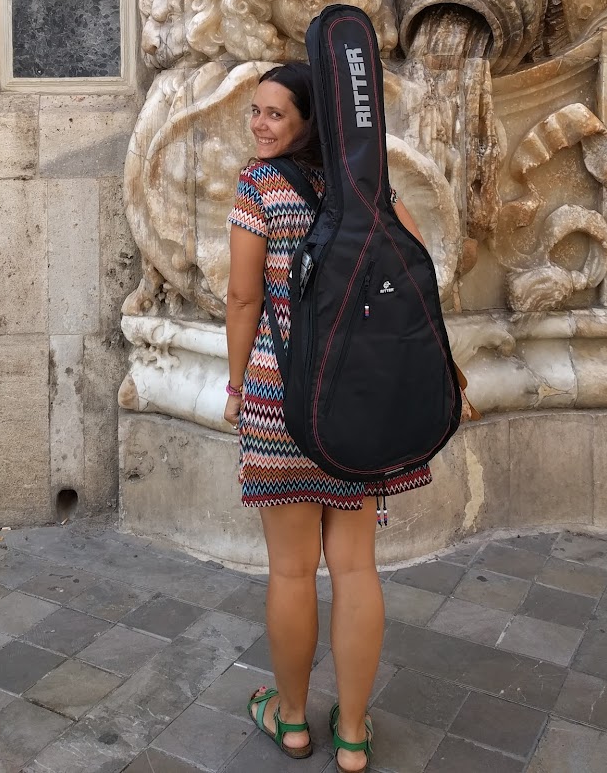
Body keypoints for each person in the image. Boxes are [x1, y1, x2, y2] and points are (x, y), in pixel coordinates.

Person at [224, 63, 431, 770]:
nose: (259, 125)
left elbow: (243, 298)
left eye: (275, 114)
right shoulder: (366, 184)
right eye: (256, 111)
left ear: (309, 121)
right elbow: (418, 266)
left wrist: (234, 384)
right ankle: (352, 732)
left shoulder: (259, 187)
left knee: (290, 572)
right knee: (355, 567)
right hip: (354, 402)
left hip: (279, 398)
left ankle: (290, 720)